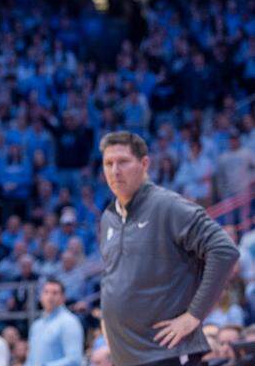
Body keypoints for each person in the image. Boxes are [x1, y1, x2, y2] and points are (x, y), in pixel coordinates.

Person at [98, 132, 240, 366]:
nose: (115, 171)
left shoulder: (167, 205)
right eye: (108, 163)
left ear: (144, 164)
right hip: (126, 356)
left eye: (123, 162)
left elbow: (224, 250)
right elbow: (114, 273)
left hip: (166, 353)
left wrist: (194, 315)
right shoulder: (108, 217)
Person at [27, 279, 84, 366]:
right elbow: (30, 359)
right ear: (41, 296)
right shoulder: (36, 325)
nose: (50, 297)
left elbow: (74, 360)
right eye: (46, 292)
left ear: (63, 297)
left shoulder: (69, 322)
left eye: (55, 293)